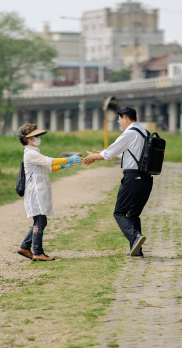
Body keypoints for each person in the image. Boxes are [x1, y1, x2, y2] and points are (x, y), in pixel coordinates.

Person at [81, 107, 152, 257]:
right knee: (133, 214)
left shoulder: (128, 134)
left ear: (125, 117)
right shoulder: (144, 133)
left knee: (119, 212)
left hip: (132, 177)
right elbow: (130, 155)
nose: (119, 122)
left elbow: (109, 153)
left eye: (119, 119)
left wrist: (94, 157)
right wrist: (103, 154)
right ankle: (137, 250)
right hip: (146, 179)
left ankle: (135, 237)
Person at [16, 123, 81, 262]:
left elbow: (48, 168)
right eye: (36, 136)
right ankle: (38, 252)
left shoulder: (34, 152)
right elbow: (49, 161)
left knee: (40, 221)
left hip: (37, 190)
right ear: (28, 139)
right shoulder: (31, 153)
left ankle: (25, 246)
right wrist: (68, 159)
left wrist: (63, 165)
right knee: (39, 221)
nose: (38, 138)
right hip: (35, 192)